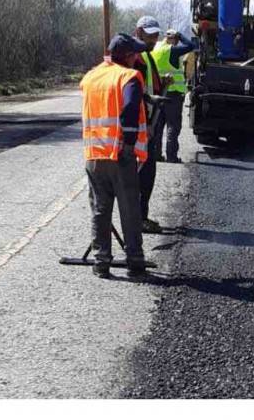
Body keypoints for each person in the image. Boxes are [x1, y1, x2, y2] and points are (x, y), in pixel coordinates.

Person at [79, 33, 152, 278]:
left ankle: (101, 262)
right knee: (129, 208)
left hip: (94, 154)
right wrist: (129, 143)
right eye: (136, 54)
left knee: (100, 210)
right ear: (128, 56)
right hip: (119, 154)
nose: (138, 58)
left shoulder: (90, 77)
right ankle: (135, 262)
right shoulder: (129, 77)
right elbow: (130, 107)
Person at [133, 15, 167, 234]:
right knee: (142, 174)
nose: (154, 39)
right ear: (139, 32)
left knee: (149, 171)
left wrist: (162, 83)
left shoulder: (147, 56)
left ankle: (141, 216)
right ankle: (138, 218)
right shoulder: (136, 58)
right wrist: (145, 124)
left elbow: (148, 88)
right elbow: (136, 94)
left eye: (155, 35)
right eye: (149, 34)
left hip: (149, 120)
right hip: (142, 124)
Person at [152, 29, 197, 163]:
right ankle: (171, 156)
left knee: (158, 125)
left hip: (158, 92)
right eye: (176, 40)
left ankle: (156, 154)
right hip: (173, 93)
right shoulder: (171, 50)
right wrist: (180, 35)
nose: (177, 43)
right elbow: (190, 46)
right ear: (172, 39)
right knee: (173, 125)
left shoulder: (156, 47)